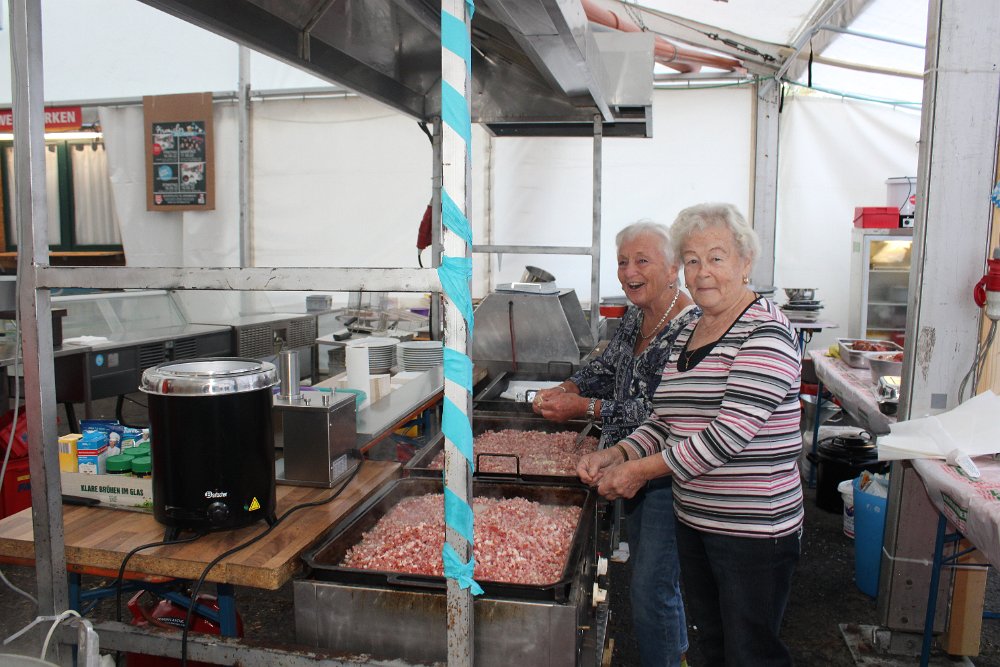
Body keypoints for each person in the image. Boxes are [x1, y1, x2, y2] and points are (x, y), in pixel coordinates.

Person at [577, 202, 804, 667]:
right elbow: (667, 420)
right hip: (696, 519)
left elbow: (727, 436)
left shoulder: (766, 332)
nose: (703, 272)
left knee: (750, 652)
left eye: (717, 258)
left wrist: (640, 471)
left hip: (752, 529)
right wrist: (620, 453)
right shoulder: (693, 330)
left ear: (746, 261)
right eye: (694, 260)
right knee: (714, 646)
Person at [532, 220, 699, 667]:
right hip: (627, 463)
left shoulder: (690, 327)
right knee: (657, 578)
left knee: (650, 586)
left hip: (666, 472)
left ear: (673, 269)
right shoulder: (635, 316)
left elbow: (658, 412)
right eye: (623, 262)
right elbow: (606, 369)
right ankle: (677, 654)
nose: (629, 272)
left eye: (642, 261)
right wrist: (566, 388)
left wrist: (583, 408)